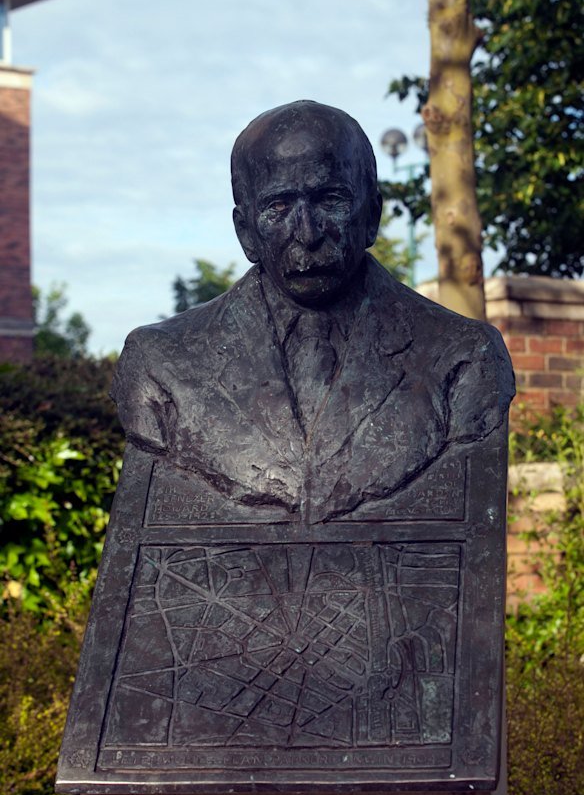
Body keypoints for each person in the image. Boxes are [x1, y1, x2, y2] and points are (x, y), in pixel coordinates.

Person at [111, 100, 514, 523]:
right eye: (279, 208)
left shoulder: (463, 358)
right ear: (246, 232)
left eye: (329, 200)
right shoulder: (160, 364)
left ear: (372, 215)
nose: (307, 232)